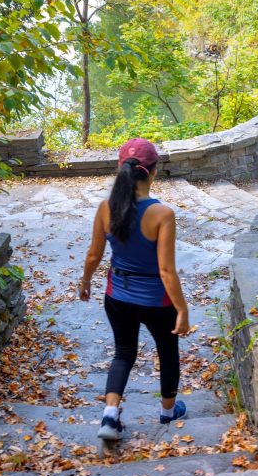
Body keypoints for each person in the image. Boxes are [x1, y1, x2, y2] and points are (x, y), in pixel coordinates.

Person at [78, 138, 191, 441]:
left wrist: (86, 281)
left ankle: (110, 416)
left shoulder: (106, 208)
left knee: (123, 353)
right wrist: (182, 309)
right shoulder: (162, 214)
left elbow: (93, 254)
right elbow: (166, 270)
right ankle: (168, 413)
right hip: (157, 301)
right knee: (167, 353)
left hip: (118, 296)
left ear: (121, 169)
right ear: (154, 172)